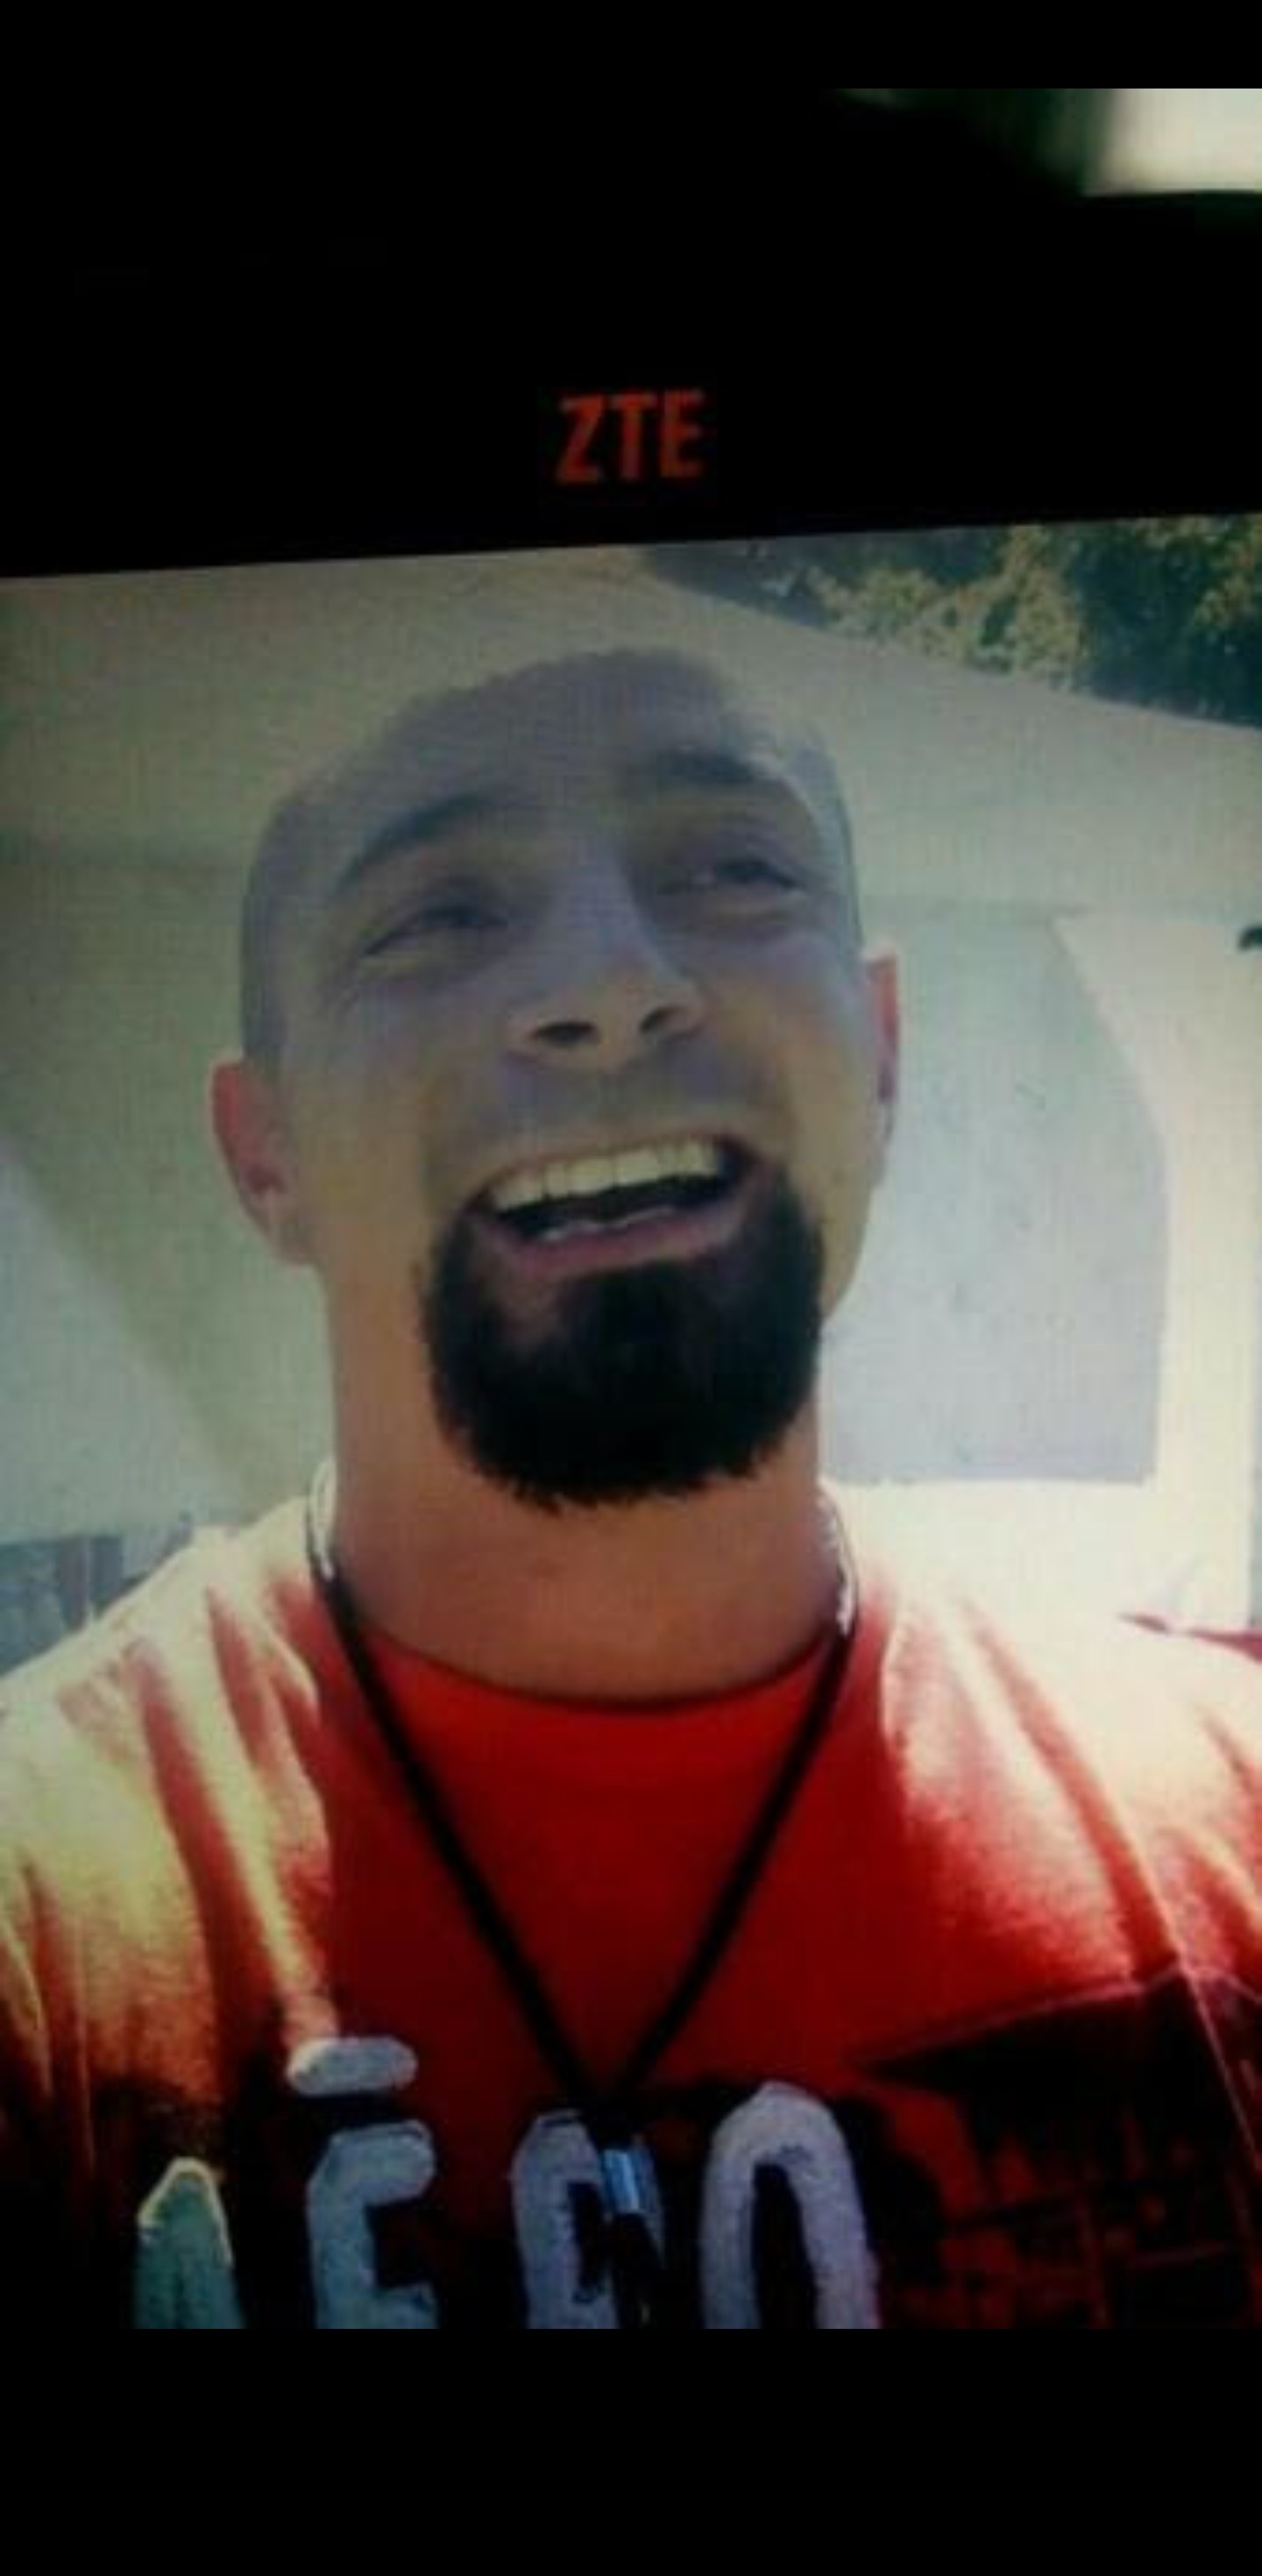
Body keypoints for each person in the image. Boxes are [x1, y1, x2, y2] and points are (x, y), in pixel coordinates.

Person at [1, 648, 1258, 2331]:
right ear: (262, 1154)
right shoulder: (42, 1912)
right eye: (437, 913)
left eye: (733, 869)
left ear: (883, 1051)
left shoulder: (1229, 1817)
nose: (611, 985)